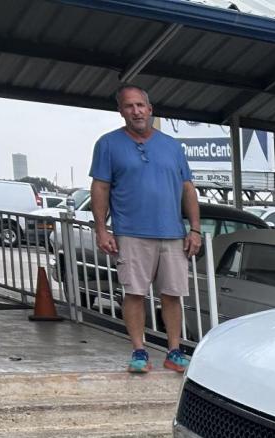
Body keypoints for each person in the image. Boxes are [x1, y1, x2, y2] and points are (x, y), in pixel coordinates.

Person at [89, 84, 202, 374]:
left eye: (141, 105)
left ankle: (174, 351)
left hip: (173, 233)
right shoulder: (108, 144)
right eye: (129, 106)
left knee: (172, 294)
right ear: (121, 111)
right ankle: (139, 351)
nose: (136, 111)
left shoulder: (172, 147)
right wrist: (102, 230)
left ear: (150, 109)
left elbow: (188, 188)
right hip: (131, 232)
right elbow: (100, 187)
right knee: (134, 293)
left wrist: (195, 229)